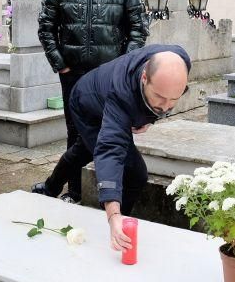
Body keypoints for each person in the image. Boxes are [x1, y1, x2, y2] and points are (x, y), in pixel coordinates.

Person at [38, 44, 190, 250]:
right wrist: (113, 213)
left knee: (83, 149)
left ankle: (48, 189)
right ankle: (119, 224)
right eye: (160, 99)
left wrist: (150, 117)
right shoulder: (122, 92)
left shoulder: (178, 60)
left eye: (173, 100)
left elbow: (162, 98)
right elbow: (111, 149)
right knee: (135, 172)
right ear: (144, 77)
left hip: (101, 96)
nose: (165, 107)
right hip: (85, 105)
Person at [34, 0, 147, 204]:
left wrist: (123, 67)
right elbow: (46, 29)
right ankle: (73, 192)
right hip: (73, 76)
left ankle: (64, 186)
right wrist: (60, 65)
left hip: (109, 78)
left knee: (108, 130)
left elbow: (139, 30)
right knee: (76, 134)